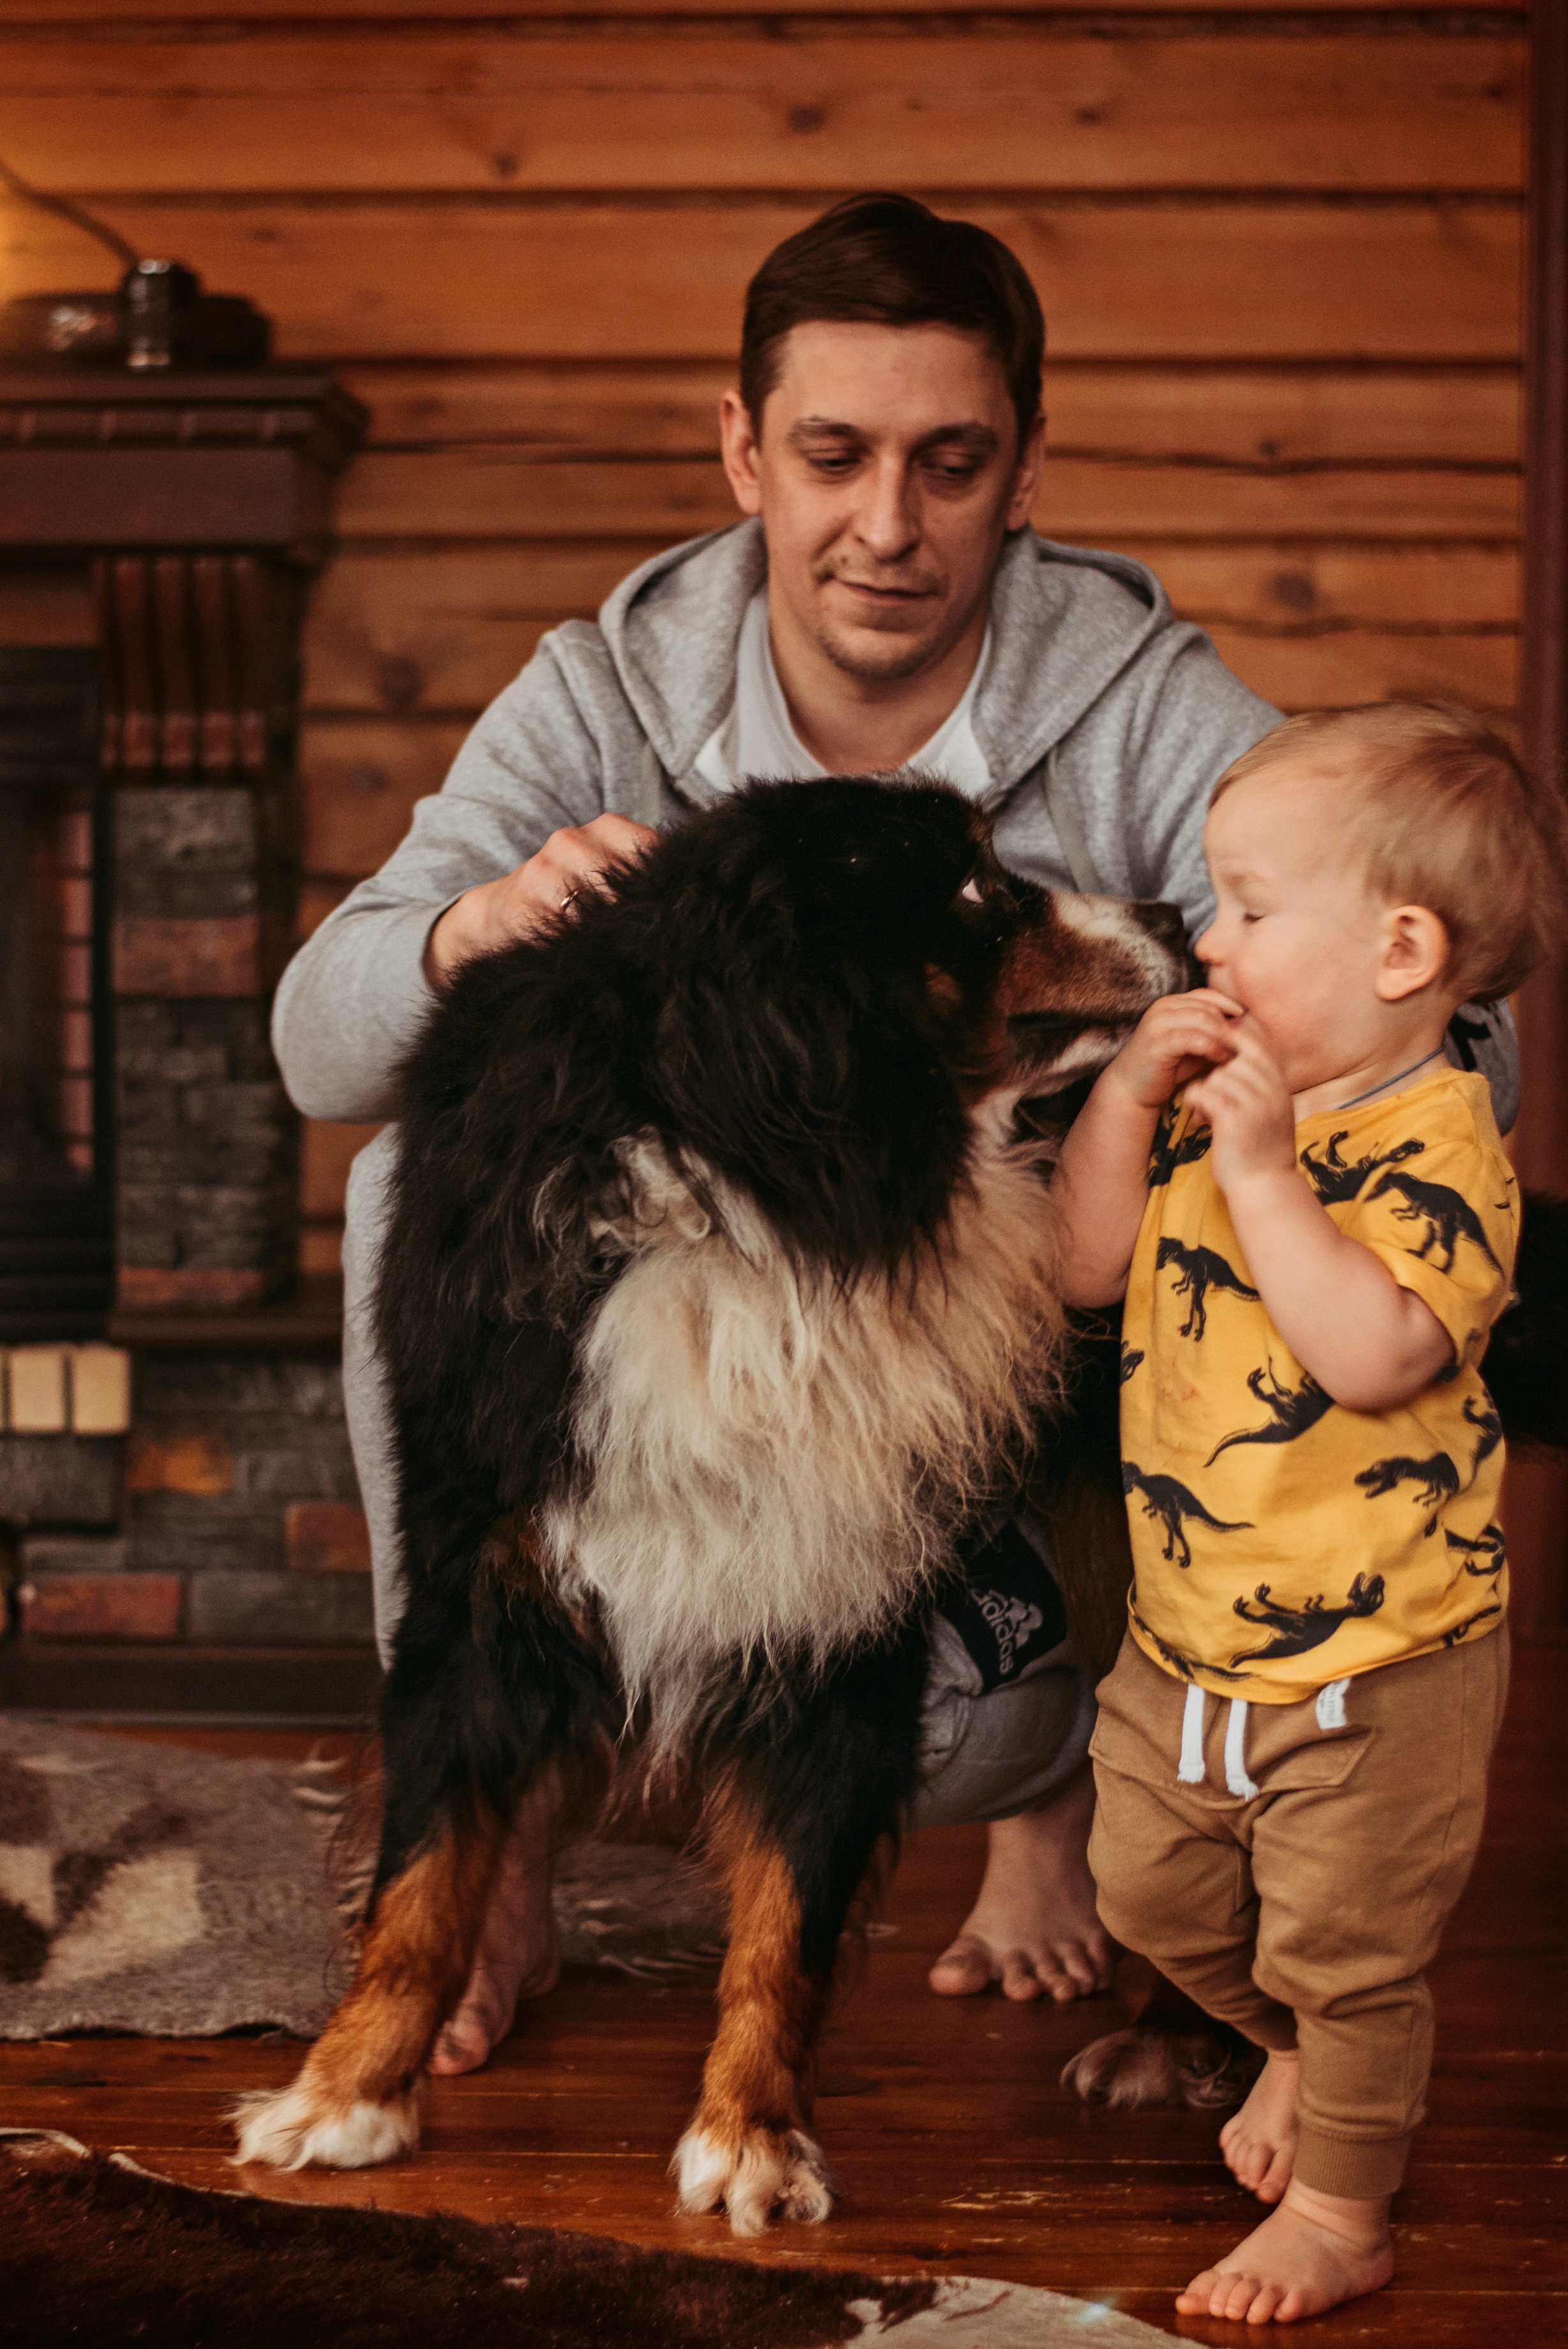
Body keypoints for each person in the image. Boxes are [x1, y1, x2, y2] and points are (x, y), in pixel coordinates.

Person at [271, 195, 1519, 2078]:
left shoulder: (1144, 705)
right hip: (713, 1328)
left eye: (949, 463)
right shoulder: (601, 692)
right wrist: (479, 920)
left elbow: (1451, 1018)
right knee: (400, 1184)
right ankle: (492, 1817)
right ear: (742, 451)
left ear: (1024, 469)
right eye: (832, 455)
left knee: (923, 1734)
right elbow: (317, 1044)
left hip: (1017, 1344)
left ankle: (1076, 1791)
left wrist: (1171, 1121)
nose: (886, 524)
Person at [1050, 703, 1567, 2323]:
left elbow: (1376, 1355)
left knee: (1351, 1946)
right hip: (1185, 1630)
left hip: (1380, 1653)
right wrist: (1125, 1102)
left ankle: (1343, 2207)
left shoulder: (1438, 1148)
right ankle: (1290, 2045)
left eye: (1249, 908)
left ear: (1401, 950)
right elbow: (1079, 1271)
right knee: (1142, 1891)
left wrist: (1267, 1172)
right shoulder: (1216, 1101)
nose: (1207, 940)